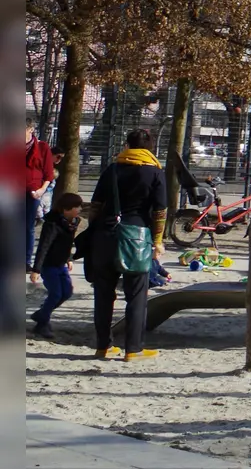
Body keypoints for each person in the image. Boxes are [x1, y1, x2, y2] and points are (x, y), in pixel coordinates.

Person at [86, 128, 167, 361]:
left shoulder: (112, 169)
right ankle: (133, 349)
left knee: (102, 294)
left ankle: (103, 346)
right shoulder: (154, 173)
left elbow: (95, 205)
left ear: (127, 145)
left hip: (104, 234)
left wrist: (94, 231)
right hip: (136, 237)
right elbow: (160, 211)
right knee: (137, 295)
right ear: (151, 147)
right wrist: (158, 241)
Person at [28, 191, 83, 339]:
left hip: (61, 264)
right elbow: (44, 247)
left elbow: (67, 243)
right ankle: (42, 323)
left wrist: (69, 258)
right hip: (49, 265)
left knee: (67, 292)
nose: (79, 210)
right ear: (66, 209)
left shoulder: (73, 222)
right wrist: (36, 269)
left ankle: (41, 314)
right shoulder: (52, 225)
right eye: (76, 207)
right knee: (56, 293)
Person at [24, 125, 55, 273]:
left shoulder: (42, 147)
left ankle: (25, 261)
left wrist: (41, 190)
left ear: (30, 129)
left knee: (27, 227)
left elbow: (48, 174)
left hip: (33, 192)